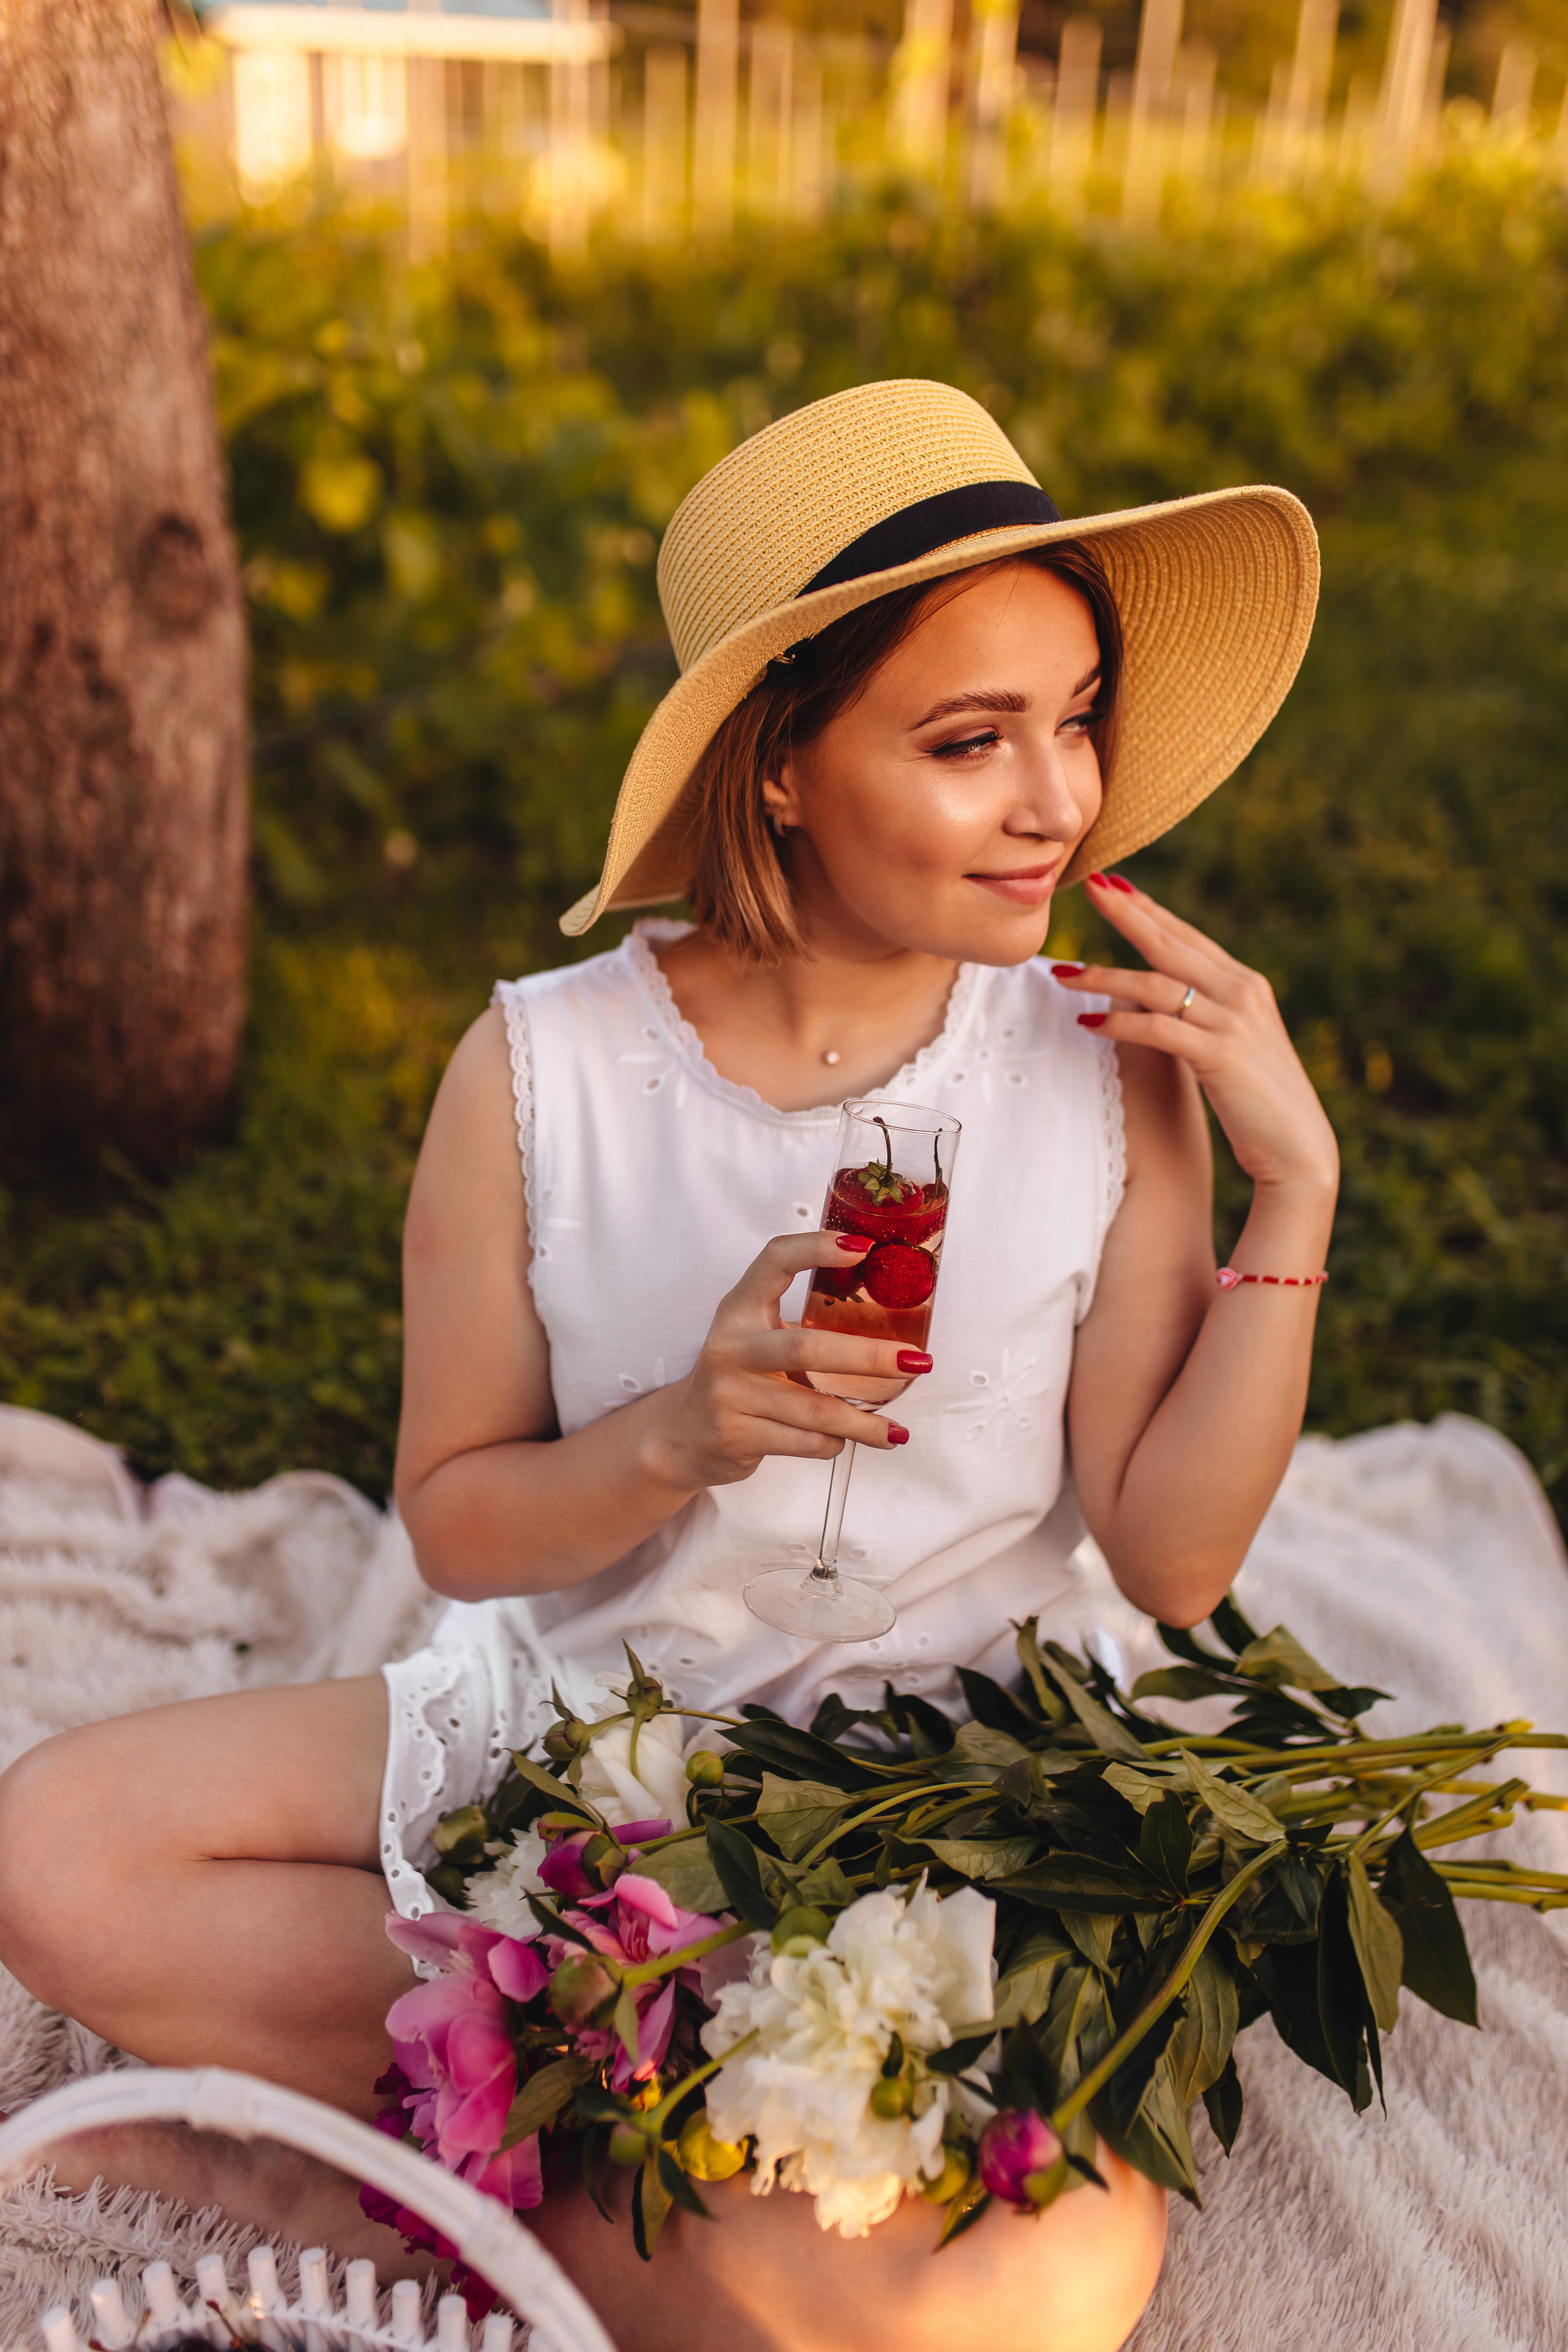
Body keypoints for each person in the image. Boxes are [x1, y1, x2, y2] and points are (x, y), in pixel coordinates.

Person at [0, 381, 1336, 2352]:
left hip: (947, 1795)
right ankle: (619, 2162)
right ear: (779, 766)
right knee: (59, 1852)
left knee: (1045, 2282)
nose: (1060, 797)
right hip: (604, 1736)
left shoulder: (1104, 1060)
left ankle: (451, 2160)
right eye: (971, 742)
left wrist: (1290, 1184)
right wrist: (674, 1437)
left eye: (1075, 720)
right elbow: (458, 1523)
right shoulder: (544, 1075)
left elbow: (1172, 1566)